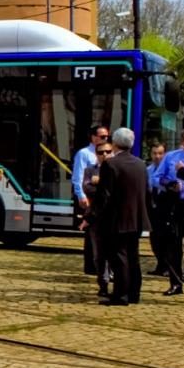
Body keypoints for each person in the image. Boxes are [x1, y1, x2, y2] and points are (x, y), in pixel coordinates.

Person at [91, 127, 149, 306]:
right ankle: (134, 293)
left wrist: (92, 215)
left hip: (117, 219)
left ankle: (121, 294)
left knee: (119, 257)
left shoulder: (111, 164)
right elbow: (146, 193)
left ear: (115, 143)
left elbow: (104, 195)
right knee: (133, 256)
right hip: (136, 218)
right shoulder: (140, 164)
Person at [155, 127, 184, 295]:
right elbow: (155, 178)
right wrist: (169, 185)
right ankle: (176, 284)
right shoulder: (171, 157)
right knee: (173, 246)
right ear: (183, 141)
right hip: (175, 205)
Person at [73, 125, 109, 275]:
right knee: (91, 232)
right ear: (93, 137)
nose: (105, 139)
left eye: (106, 136)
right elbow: (78, 176)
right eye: (102, 137)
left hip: (103, 198)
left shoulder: (108, 153)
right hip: (90, 197)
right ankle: (91, 265)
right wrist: (81, 195)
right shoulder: (84, 154)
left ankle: (100, 264)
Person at [81, 143, 114, 296]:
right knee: (98, 255)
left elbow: (115, 190)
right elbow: (87, 188)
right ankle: (103, 283)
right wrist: (102, 184)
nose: (105, 154)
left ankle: (114, 277)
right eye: (101, 152)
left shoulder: (116, 169)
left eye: (108, 151)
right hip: (95, 218)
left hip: (114, 218)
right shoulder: (90, 170)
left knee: (113, 252)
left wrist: (99, 181)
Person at [146, 141, 169, 276]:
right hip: (152, 209)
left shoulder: (169, 170)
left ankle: (166, 266)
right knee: (154, 240)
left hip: (165, 209)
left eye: (160, 153)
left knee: (165, 240)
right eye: (154, 153)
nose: (157, 156)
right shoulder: (148, 170)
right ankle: (160, 265)